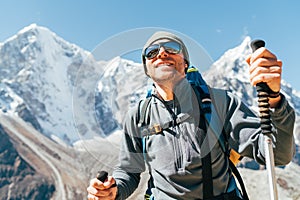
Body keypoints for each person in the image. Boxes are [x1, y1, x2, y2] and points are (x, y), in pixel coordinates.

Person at [87, 31, 295, 200]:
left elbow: (276, 153)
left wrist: (274, 98)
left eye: (172, 48)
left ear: (185, 64)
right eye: (151, 52)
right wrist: (113, 191)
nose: (161, 53)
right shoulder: (138, 116)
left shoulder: (220, 102)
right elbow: (128, 171)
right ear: (146, 68)